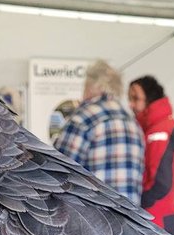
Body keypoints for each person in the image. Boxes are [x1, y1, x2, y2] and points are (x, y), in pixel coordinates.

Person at [54, 59, 144, 202]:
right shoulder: (133, 124)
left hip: (93, 218)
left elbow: (57, 171)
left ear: (91, 86)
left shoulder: (83, 119)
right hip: (130, 219)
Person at [128, 75, 174, 234]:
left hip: (156, 215)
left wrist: (139, 204)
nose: (131, 104)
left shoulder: (160, 130)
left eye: (135, 98)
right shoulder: (155, 127)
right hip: (156, 213)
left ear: (150, 99)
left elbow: (161, 181)